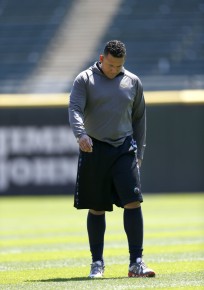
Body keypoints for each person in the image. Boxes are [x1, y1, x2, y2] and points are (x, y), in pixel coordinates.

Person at [68, 40, 155, 278]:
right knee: (97, 207)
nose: (114, 69)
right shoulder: (84, 80)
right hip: (94, 148)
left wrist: (139, 153)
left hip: (124, 148)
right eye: (111, 65)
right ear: (101, 58)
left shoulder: (133, 82)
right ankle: (97, 263)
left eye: (119, 65)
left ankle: (136, 262)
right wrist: (80, 133)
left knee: (133, 201)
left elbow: (139, 119)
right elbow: (74, 108)